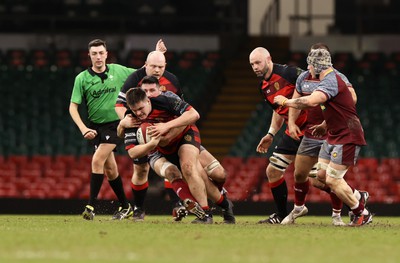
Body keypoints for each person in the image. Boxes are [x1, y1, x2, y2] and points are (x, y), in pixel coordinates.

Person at [115, 51, 229, 222]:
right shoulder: (133, 110)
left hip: (179, 137)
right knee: (157, 170)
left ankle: (218, 202)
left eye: (160, 67)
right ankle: (148, 208)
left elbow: (189, 115)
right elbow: (121, 110)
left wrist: (167, 129)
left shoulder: (168, 94)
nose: (156, 70)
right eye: (153, 66)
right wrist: (125, 124)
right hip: (153, 145)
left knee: (217, 174)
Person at [274, 48, 373, 226]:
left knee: (333, 179)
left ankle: (361, 212)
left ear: (315, 66)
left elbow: (311, 101)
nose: (308, 70)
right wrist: (324, 124)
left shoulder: (331, 80)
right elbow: (336, 107)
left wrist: (285, 101)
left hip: (346, 135)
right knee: (321, 175)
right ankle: (358, 197)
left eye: (310, 66)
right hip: (333, 134)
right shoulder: (325, 79)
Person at [69, 38, 165, 220]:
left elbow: (144, 71)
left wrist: (157, 54)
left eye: (101, 53)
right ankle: (124, 206)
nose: (98, 57)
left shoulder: (118, 70)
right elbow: (73, 107)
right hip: (96, 127)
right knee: (110, 169)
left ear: (106, 54)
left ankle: (90, 206)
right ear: (89, 56)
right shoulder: (81, 78)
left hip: (117, 124)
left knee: (97, 160)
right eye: (94, 53)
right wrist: (83, 128)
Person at [121, 86, 214, 223]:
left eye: (141, 109)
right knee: (171, 172)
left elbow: (193, 115)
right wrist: (150, 145)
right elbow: (132, 152)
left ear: (148, 101)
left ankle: (208, 208)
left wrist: (166, 126)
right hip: (154, 152)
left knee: (210, 172)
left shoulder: (164, 101)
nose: (139, 113)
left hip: (177, 142)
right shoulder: (130, 119)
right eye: (135, 110)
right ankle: (196, 208)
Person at [249, 47, 306, 224]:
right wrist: (271, 134)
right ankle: (281, 215)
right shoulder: (263, 87)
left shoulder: (289, 73)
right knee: (272, 171)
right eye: (252, 64)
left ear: (269, 59)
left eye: (258, 62)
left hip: (311, 130)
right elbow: (278, 111)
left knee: (320, 178)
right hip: (292, 132)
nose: (255, 67)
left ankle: (357, 202)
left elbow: (314, 86)